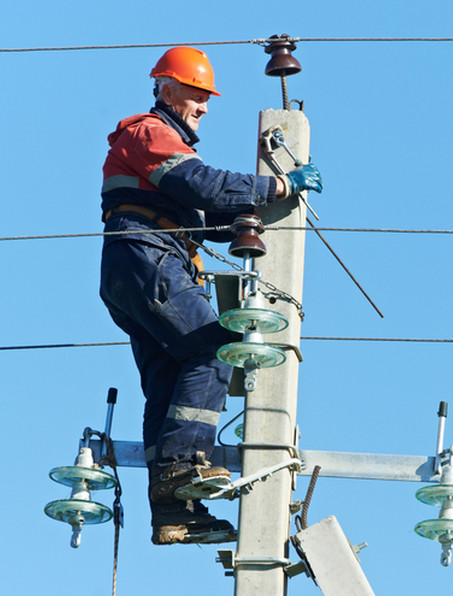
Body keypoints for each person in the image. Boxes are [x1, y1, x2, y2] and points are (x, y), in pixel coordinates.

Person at [98, 46, 322, 545]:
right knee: (215, 347)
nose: (203, 106)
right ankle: (182, 467)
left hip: (136, 264)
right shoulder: (148, 132)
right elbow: (204, 186)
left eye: (206, 98)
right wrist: (280, 186)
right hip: (148, 256)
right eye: (197, 95)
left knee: (170, 377)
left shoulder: (160, 149)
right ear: (166, 88)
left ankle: (173, 511)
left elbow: (206, 213)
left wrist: (246, 214)